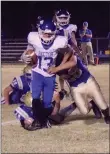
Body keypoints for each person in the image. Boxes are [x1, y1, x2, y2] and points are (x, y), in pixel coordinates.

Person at [21, 19, 73, 130]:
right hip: (37, 72)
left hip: (50, 75)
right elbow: (29, 50)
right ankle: (40, 122)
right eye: (44, 33)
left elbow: (69, 51)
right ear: (39, 31)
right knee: (35, 99)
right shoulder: (33, 38)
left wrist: (59, 66)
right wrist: (24, 56)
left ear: (54, 33)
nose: (47, 36)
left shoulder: (60, 41)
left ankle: (44, 120)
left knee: (47, 102)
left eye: (49, 34)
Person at [47, 53, 110, 124]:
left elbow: (73, 61)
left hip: (87, 80)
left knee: (102, 103)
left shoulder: (71, 58)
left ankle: (107, 115)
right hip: (75, 87)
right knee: (84, 111)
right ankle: (92, 104)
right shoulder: (55, 64)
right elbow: (61, 78)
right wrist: (62, 88)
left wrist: (58, 68)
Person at [54, 9, 80, 95]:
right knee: (59, 72)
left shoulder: (71, 27)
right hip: (56, 53)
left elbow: (73, 39)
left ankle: (73, 89)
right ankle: (62, 89)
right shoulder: (54, 26)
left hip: (68, 52)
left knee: (68, 73)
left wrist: (76, 50)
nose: (63, 20)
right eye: (60, 18)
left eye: (65, 17)